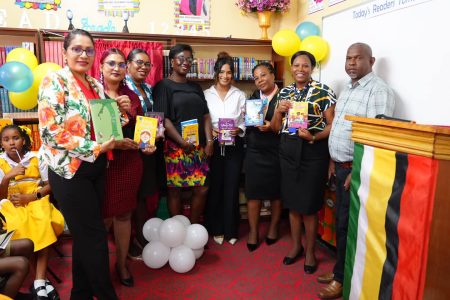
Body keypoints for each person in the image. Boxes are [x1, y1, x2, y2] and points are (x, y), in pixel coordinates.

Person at [38, 29, 129, 300]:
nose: (84, 54)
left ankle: (80, 294)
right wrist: (98, 147)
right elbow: (50, 132)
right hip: (69, 171)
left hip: (95, 169)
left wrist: (121, 110)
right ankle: (105, 294)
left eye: (89, 50)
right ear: (65, 52)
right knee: (95, 237)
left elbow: (107, 124)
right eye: (77, 49)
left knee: (84, 237)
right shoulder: (54, 81)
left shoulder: (95, 84)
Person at [317, 43, 395, 299]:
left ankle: (342, 279)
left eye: (357, 58)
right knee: (341, 225)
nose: (351, 63)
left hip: (355, 171)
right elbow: (340, 127)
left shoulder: (378, 91)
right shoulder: (349, 89)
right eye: (348, 58)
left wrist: (356, 171)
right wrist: (332, 160)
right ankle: (342, 269)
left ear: (370, 61)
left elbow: (377, 138)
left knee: (348, 226)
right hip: (339, 167)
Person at [271, 51, 336, 273]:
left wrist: (314, 137)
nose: (301, 69)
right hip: (288, 152)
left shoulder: (324, 91)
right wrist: (278, 112)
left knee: (308, 206)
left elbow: (332, 125)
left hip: (313, 151)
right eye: (296, 65)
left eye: (305, 66)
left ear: (312, 68)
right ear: (291, 68)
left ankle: (309, 251)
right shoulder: (285, 92)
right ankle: (295, 246)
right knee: (292, 203)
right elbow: (276, 127)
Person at [99, 48, 156, 287]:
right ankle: (99, 269)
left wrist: (147, 145)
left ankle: (121, 265)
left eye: (121, 64)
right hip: (102, 165)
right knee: (102, 220)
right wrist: (111, 107)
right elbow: (97, 133)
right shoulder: (92, 93)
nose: (116, 68)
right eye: (111, 63)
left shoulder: (130, 96)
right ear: (101, 67)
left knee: (124, 216)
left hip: (130, 163)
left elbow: (142, 129)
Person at [0, 124, 64, 300]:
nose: (11, 143)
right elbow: (0, 197)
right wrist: (7, 177)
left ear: (23, 140)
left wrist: (33, 196)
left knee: (42, 219)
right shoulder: (0, 162)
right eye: (6, 140)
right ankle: (42, 282)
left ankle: (38, 281)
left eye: (15, 138)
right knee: (19, 225)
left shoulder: (36, 158)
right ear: (1, 144)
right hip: (11, 204)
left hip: (36, 199)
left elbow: (50, 185)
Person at [153, 44, 213, 224]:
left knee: (202, 188)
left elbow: (206, 115)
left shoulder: (195, 87)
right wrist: (181, 142)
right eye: (181, 58)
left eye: (189, 59)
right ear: (172, 61)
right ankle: (178, 230)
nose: (185, 62)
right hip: (175, 147)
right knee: (175, 190)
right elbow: (163, 119)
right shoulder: (163, 86)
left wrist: (209, 140)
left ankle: (193, 228)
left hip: (197, 146)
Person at [204, 52, 245, 245]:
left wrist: (240, 129)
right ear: (216, 73)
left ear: (232, 74)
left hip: (234, 146)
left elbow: (246, 120)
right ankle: (216, 228)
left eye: (229, 72)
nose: (225, 76)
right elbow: (204, 120)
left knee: (232, 187)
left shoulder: (240, 94)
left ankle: (231, 230)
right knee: (215, 187)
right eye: (222, 72)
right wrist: (210, 131)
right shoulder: (205, 94)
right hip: (214, 144)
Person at [125, 48, 162, 259]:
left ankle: (142, 235)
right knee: (131, 197)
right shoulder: (123, 88)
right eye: (139, 62)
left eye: (147, 64)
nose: (144, 67)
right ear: (128, 64)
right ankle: (131, 240)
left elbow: (153, 118)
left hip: (148, 149)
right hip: (130, 150)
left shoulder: (148, 88)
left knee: (144, 194)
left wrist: (158, 133)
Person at [245, 62, 282, 252]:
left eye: (263, 75)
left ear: (273, 75)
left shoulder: (285, 96)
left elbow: (294, 123)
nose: (260, 80)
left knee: (276, 193)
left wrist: (272, 126)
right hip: (254, 150)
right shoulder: (252, 97)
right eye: (256, 78)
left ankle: (273, 228)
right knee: (253, 192)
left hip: (276, 151)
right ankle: (253, 231)